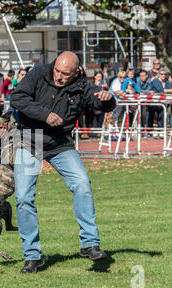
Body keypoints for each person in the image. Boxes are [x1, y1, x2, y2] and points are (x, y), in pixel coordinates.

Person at [10, 51, 116, 273]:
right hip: (29, 140)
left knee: (83, 185)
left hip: (60, 143)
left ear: (76, 72)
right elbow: (17, 98)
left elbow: (97, 104)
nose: (59, 76)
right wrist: (45, 114)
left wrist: (108, 101)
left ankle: (89, 244)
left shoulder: (81, 85)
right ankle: (32, 256)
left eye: (65, 74)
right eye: (57, 70)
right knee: (23, 198)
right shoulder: (38, 73)